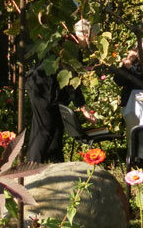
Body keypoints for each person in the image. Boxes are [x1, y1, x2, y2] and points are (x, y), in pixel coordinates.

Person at [26, 19, 96, 163]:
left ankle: (57, 167)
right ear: (84, 34)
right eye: (91, 38)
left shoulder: (64, 43)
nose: (91, 42)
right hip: (43, 91)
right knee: (43, 132)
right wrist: (83, 108)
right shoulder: (69, 48)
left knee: (56, 130)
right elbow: (71, 81)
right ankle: (29, 173)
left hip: (46, 90)